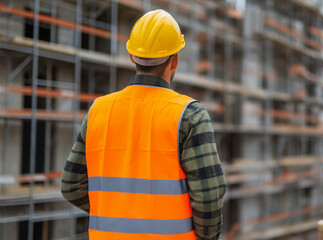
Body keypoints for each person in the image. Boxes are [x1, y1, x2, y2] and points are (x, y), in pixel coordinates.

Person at [61, 9, 226, 240]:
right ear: (175, 60)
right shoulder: (190, 115)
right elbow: (208, 197)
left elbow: (70, 186)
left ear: (132, 57)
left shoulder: (98, 110)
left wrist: (116, 213)